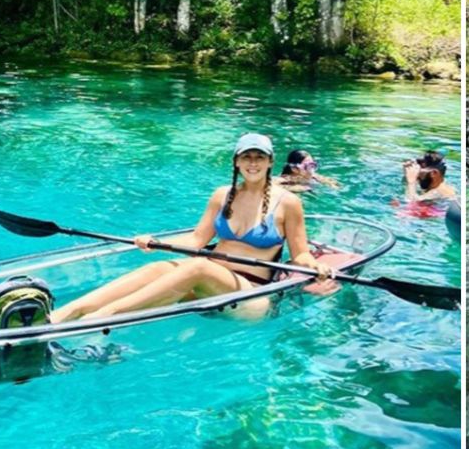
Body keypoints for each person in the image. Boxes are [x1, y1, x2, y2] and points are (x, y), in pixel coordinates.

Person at [51, 133, 333, 323]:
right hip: (207, 284)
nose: (253, 163)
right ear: (236, 161)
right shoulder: (222, 195)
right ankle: (62, 315)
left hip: (251, 296)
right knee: (161, 267)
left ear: (270, 162)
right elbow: (198, 239)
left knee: (197, 267)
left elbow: (300, 255)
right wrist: (154, 242)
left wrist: (316, 267)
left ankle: (101, 319)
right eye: (246, 157)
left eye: (259, 157)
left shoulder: (289, 203)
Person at [275, 150, 341, 193]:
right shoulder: (286, 178)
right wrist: (294, 188)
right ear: (294, 169)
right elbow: (269, 185)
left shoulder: (314, 176)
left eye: (312, 165)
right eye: (307, 166)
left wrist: (332, 185)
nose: (311, 170)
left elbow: (334, 184)